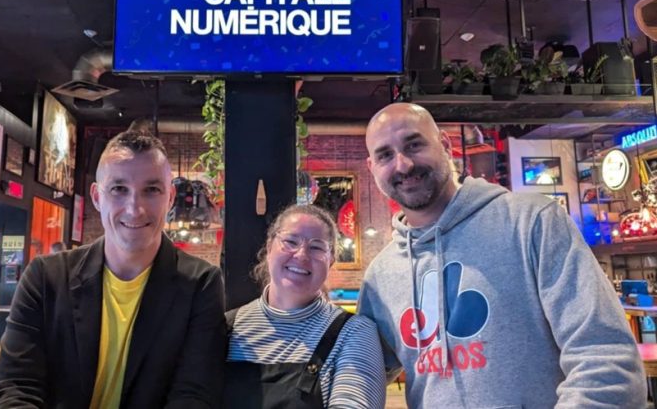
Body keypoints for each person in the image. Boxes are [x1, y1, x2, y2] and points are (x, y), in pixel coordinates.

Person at [358, 103, 646, 408]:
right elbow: (357, 371)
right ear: (372, 168)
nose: (403, 165)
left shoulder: (531, 222)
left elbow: (606, 358)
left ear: (445, 145)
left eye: (414, 144)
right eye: (385, 155)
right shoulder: (382, 274)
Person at [0, 130, 226, 408]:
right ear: (97, 197)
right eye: (119, 189)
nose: (134, 209)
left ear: (170, 197)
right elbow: (14, 386)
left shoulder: (201, 284)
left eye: (152, 190)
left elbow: (194, 395)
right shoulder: (46, 277)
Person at [224, 204, 386, 409]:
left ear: (331, 260)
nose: (301, 255)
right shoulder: (226, 328)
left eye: (317, 247)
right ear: (269, 247)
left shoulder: (353, 333)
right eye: (290, 242)